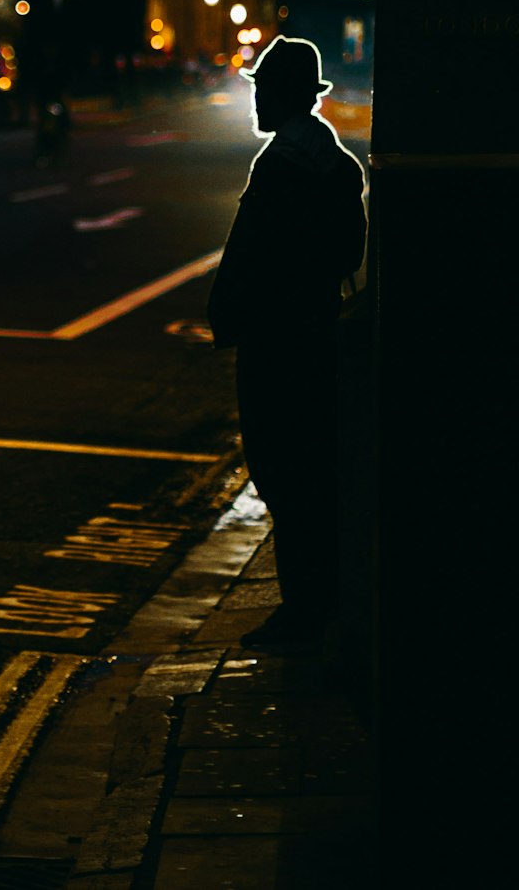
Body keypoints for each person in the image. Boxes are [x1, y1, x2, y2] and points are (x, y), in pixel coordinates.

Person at [207, 36, 367, 648]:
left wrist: (228, 313)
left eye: (261, 89)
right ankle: (319, 600)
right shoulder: (339, 166)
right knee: (313, 468)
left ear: (285, 96)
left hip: (275, 341)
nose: (255, 100)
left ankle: (302, 608)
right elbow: (348, 252)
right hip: (317, 333)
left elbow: (247, 253)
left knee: (280, 469)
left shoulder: (278, 167)